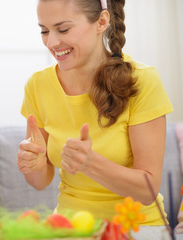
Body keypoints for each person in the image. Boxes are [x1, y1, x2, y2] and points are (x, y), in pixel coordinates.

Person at [17, 0, 174, 233]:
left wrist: (91, 164)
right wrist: (33, 165)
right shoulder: (37, 85)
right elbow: (40, 182)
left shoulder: (142, 80)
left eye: (63, 29)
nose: (51, 42)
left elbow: (147, 189)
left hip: (136, 227)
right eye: (44, 30)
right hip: (70, 227)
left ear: (101, 22)